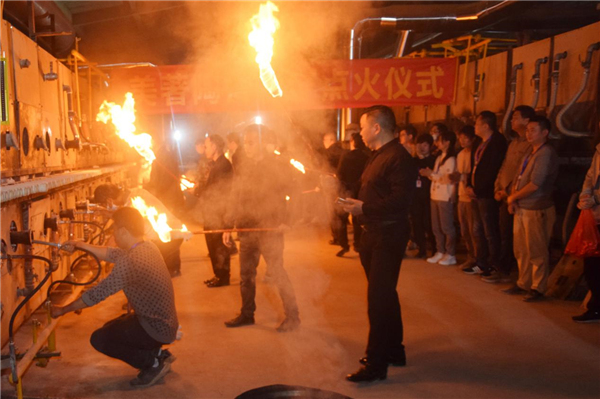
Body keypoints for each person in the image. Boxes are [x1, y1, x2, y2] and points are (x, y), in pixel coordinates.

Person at [51, 207, 178, 388]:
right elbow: (111, 254)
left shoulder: (132, 261)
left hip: (156, 328)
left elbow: (97, 294)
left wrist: (62, 309)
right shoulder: (147, 247)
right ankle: (156, 353)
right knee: (111, 328)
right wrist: (80, 245)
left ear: (124, 231)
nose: (113, 235)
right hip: (164, 323)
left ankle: (153, 363)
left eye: (114, 230)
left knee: (100, 339)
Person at [341, 105, 417, 382]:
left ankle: (376, 365)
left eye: (362, 127)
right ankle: (394, 350)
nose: (358, 133)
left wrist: (366, 209)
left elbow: (401, 200)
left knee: (377, 299)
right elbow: (369, 190)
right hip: (371, 234)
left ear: (376, 128)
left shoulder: (399, 158)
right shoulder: (377, 156)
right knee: (386, 295)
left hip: (388, 235)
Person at [222, 124, 300, 332]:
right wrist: (228, 226)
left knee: (277, 272)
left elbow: (294, 194)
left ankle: (293, 316)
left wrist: (287, 220)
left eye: (250, 142)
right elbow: (235, 197)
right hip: (247, 230)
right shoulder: (243, 166)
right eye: (245, 142)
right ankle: (247, 314)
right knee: (246, 275)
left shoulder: (277, 166)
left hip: (270, 229)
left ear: (262, 143)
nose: (246, 146)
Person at [503, 116, 558, 302]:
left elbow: (535, 184)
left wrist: (514, 197)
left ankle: (538, 287)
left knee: (537, 249)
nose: (528, 133)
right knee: (521, 249)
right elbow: (518, 177)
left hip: (537, 207)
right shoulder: (530, 153)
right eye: (527, 130)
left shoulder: (546, 153)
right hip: (521, 207)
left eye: (533, 130)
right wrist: (512, 199)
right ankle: (523, 282)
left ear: (545, 133)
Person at [485, 105, 536, 283]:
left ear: (527, 120)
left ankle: (510, 273)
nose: (512, 120)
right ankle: (503, 269)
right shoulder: (513, 142)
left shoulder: (531, 146)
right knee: (503, 234)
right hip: (504, 196)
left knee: (515, 239)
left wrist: (508, 192)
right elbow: (505, 167)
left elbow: (521, 173)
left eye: (515, 117)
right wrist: (497, 187)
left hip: (517, 197)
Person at [93, 184, 186, 277]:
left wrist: (98, 258)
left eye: (105, 205)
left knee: (147, 274)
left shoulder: (133, 203)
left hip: (166, 240)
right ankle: (172, 268)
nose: (106, 207)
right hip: (174, 233)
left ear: (109, 200)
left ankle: (169, 270)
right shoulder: (135, 193)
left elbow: (117, 235)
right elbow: (126, 213)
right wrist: (109, 213)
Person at [463, 111, 507, 276]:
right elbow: (472, 167)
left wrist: (479, 189)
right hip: (475, 193)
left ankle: (493, 264)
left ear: (486, 126)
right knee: (477, 230)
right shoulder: (478, 143)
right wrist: (469, 185)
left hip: (487, 194)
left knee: (490, 231)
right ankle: (480, 262)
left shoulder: (497, 143)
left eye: (477, 124)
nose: (475, 127)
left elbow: (492, 170)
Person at [573, 119, 600, 322]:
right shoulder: (598, 150)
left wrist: (595, 198)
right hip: (595, 214)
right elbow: (590, 176)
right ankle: (595, 308)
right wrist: (585, 195)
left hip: (597, 206)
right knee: (591, 263)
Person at [420, 130, 458, 265]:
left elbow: (447, 179)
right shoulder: (439, 157)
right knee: (436, 226)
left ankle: (450, 253)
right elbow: (436, 175)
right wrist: (429, 174)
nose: (437, 143)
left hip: (445, 196)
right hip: (435, 194)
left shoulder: (451, 159)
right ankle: (440, 250)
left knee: (447, 226)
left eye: (439, 140)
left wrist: (431, 174)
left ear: (447, 143)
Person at [201, 134, 234, 288]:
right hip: (211, 214)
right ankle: (217, 275)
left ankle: (223, 277)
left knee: (220, 248)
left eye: (207, 146)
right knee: (213, 247)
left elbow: (222, 192)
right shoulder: (215, 164)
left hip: (218, 214)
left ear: (214, 146)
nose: (204, 149)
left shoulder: (224, 165)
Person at [336, 132, 371, 254]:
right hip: (360, 191)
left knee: (341, 217)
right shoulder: (367, 157)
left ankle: (344, 244)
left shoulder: (346, 156)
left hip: (345, 190)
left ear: (352, 142)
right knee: (357, 217)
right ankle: (357, 243)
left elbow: (339, 174)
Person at [452, 125, 479, 269]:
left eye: (464, 138)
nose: (462, 141)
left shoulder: (475, 153)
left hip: (471, 196)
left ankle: (477, 258)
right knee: (464, 229)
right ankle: (471, 256)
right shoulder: (461, 154)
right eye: (460, 138)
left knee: (473, 229)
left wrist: (462, 176)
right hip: (461, 195)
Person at [411, 134, 436, 259]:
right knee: (417, 223)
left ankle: (435, 248)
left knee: (429, 223)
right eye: (419, 145)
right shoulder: (413, 161)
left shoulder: (434, 160)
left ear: (430, 147)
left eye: (425, 145)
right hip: (415, 196)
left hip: (430, 195)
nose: (421, 148)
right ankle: (421, 249)